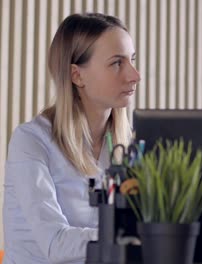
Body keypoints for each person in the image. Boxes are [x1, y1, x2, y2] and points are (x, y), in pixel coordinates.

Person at [2, 13, 141, 263]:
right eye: (117, 63)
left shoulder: (127, 145)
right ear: (77, 76)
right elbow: (55, 244)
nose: (135, 75)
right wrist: (132, 236)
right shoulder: (31, 141)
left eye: (131, 60)